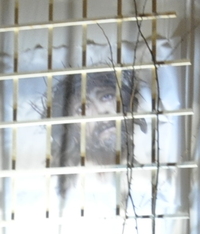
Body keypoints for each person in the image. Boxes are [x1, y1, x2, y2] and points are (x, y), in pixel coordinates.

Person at [50, 69, 142, 203]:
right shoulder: (69, 191)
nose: (101, 113)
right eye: (83, 108)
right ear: (72, 129)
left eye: (106, 97)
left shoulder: (147, 173)